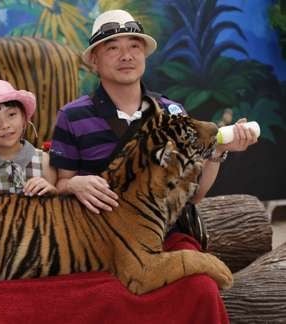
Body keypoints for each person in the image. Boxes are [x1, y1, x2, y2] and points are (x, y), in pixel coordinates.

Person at [49, 8, 257, 322]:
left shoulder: (171, 113)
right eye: (113, 47)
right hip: (99, 244)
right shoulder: (73, 116)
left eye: (134, 46)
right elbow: (59, 184)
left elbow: (195, 195)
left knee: (202, 288)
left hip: (164, 235)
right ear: (94, 60)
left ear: (144, 54)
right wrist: (74, 184)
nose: (126, 55)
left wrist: (217, 152)